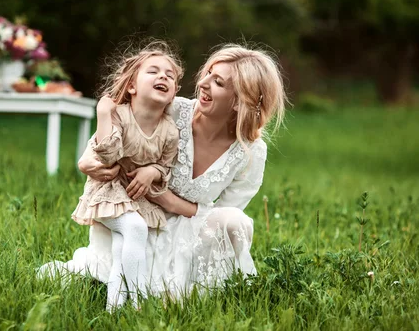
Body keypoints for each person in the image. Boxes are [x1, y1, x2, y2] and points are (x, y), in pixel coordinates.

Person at [40, 43, 286, 300]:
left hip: (188, 232)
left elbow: (222, 212)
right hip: (138, 216)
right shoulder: (173, 108)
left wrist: (168, 199)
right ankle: (134, 289)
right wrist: (86, 161)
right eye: (208, 74)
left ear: (239, 102)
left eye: (218, 83)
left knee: (235, 221)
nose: (203, 84)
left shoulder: (251, 152)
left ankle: (187, 287)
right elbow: (118, 127)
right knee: (125, 252)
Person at [70, 41, 184, 311]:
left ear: (173, 94)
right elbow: (107, 156)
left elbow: (166, 168)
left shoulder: (170, 131)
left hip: (136, 199)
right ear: (132, 86)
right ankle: (140, 302)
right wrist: (103, 113)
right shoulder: (119, 115)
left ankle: (116, 308)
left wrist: (152, 170)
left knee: (124, 246)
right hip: (108, 193)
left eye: (169, 76)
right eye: (153, 71)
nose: (163, 77)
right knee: (134, 228)